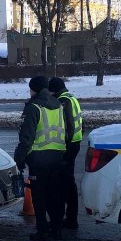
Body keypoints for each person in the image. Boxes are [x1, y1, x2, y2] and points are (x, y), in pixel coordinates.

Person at [13, 75, 71, 241]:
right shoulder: (58, 105)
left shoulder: (33, 107)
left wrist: (19, 159)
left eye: (30, 88)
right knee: (55, 195)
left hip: (39, 159)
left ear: (34, 89)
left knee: (39, 198)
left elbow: (26, 138)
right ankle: (56, 229)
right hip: (58, 156)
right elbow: (66, 130)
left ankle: (42, 231)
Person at [49, 77, 81, 229]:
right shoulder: (71, 97)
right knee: (70, 183)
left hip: (68, 147)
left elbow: (67, 126)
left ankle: (67, 219)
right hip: (76, 143)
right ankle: (71, 217)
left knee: (63, 184)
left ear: (53, 89)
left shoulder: (62, 101)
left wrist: (63, 146)